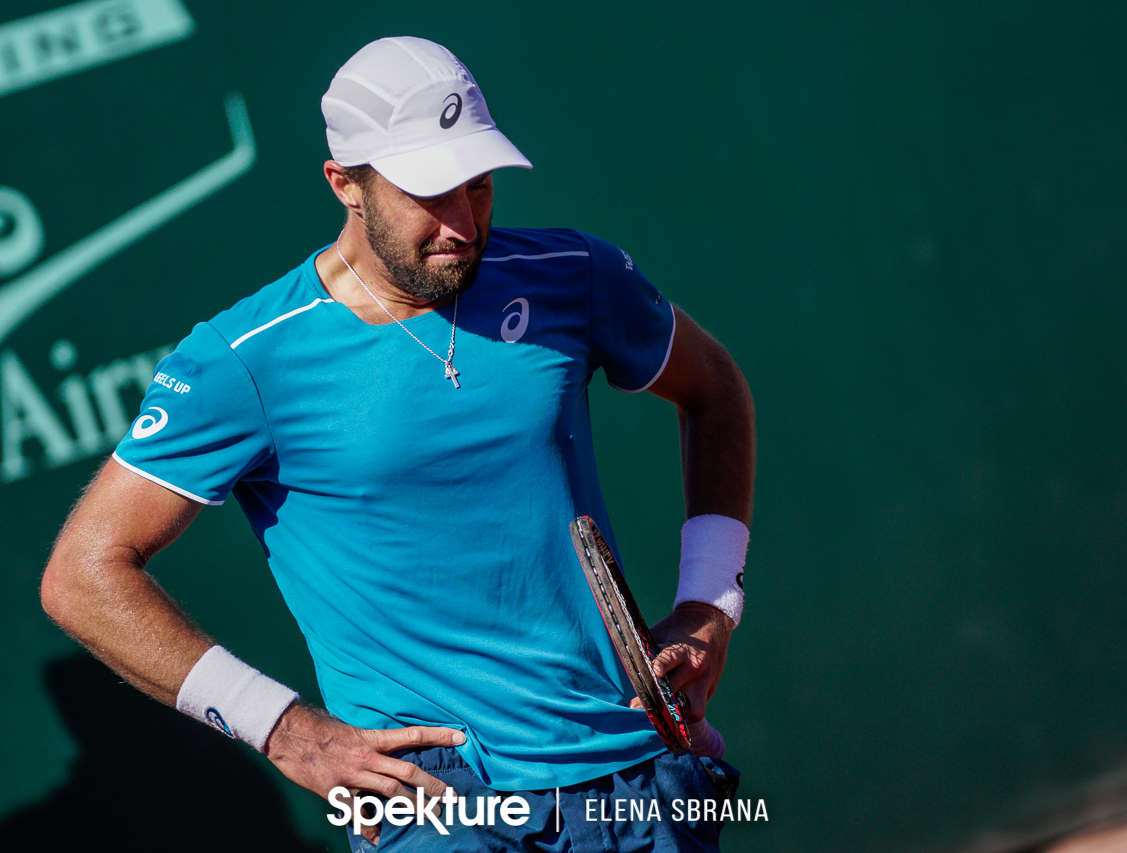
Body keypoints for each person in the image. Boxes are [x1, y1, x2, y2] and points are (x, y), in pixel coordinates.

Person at [41, 36, 755, 851]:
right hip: (434, 804)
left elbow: (716, 389)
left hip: (632, 776)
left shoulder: (573, 274)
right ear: (345, 184)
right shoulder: (242, 360)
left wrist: (709, 603)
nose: (463, 222)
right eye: (429, 193)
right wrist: (285, 730)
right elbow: (82, 573)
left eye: (479, 185)